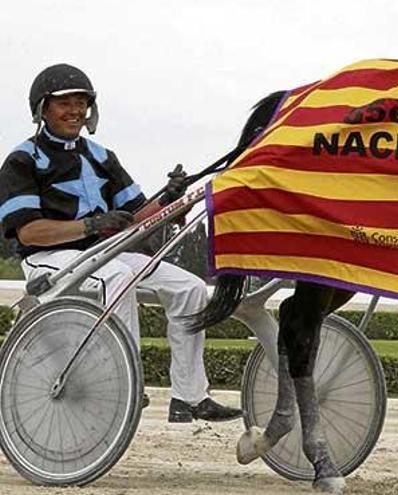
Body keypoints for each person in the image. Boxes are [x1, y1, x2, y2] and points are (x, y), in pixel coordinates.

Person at [0, 63, 241, 423]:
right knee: (117, 277)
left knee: (189, 288)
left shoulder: (101, 157)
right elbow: (29, 234)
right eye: (65, 103)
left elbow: (138, 216)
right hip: (50, 260)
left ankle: (189, 397)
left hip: (105, 256)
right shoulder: (22, 160)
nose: (76, 111)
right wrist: (92, 224)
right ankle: (124, 384)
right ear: (42, 109)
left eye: (82, 103)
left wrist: (171, 200)